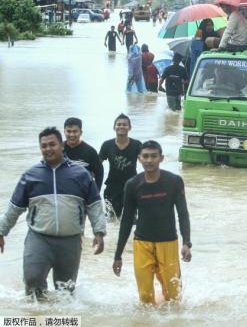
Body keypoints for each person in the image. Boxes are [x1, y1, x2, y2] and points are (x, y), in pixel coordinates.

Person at [0, 127, 106, 299]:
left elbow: (94, 205)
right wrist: (1, 231)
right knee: (33, 281)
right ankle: (38, 320)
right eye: (44, 146)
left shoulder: (81, 174)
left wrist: (99, 232)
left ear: (61, 146)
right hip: (39, 239)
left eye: (52, 144)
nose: (48, 149)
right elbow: (14, 208)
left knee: (65, 293)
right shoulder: (30, 176)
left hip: (70, 241)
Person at [113, 141, 191, 304]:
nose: (149, 160)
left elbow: (183, 213)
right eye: (145, 156)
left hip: (168, 242)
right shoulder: (133, 184)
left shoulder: (174, 181)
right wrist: (118, 255)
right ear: (139, 159)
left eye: (154, 156)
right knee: (145, 297)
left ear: (161, 158)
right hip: (142, 243)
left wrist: (186, 243)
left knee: (173, 297)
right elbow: (126, 220)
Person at [100, 114, 142, 219]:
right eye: (119, 124)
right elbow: (97, 163)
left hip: (131, 186)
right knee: (111, 219)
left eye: (125, 124)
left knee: (131, 220)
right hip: (112, 187)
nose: (121, 126)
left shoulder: (137, 145)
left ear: (130, 127)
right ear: (114, 127)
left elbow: (146, 162)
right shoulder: (107, 145)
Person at [63, 117, 104, 191]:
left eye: (75, 131)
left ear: (81, 132)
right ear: (64, 132)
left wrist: (96, 193)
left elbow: (99, 173)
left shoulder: (90, 151)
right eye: (68, 131)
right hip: (62, 193)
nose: (72, 134)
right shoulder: (58, 149)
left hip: (83, 193)